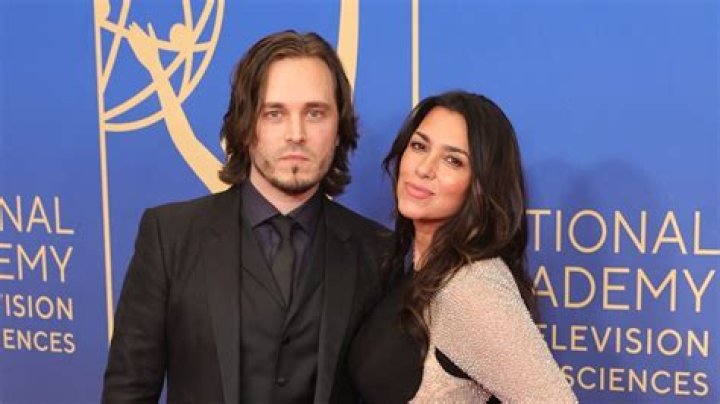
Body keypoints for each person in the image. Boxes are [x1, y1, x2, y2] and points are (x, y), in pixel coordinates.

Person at [102, 30, 393, 404]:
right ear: (244, 126)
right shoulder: (169, 237)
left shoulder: (378, 252)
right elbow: (128, 390)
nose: (296, 134)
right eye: (274, 113)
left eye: (315, 113)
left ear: (339, 129)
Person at [348, 91, 577, 403]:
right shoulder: (420, 268)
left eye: (453, 160)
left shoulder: (471, 287)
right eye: (419, 146)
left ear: (481, 185)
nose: (424, 168)